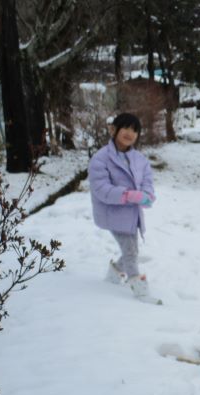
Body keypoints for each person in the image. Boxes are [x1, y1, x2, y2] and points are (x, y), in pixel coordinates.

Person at [88, 113, 156, 301]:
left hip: (132, 214)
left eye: (135, 130)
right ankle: (138, 286)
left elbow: (147, 180)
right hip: (112, 214)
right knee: (131, 251)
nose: (130, 133)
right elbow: (101, 188)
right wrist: (128, 195)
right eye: (125, 128)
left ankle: (114, 273)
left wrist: (147, 194)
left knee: (131, 250)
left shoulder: (139, 159)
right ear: (114, 130)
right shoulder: (100, 159)